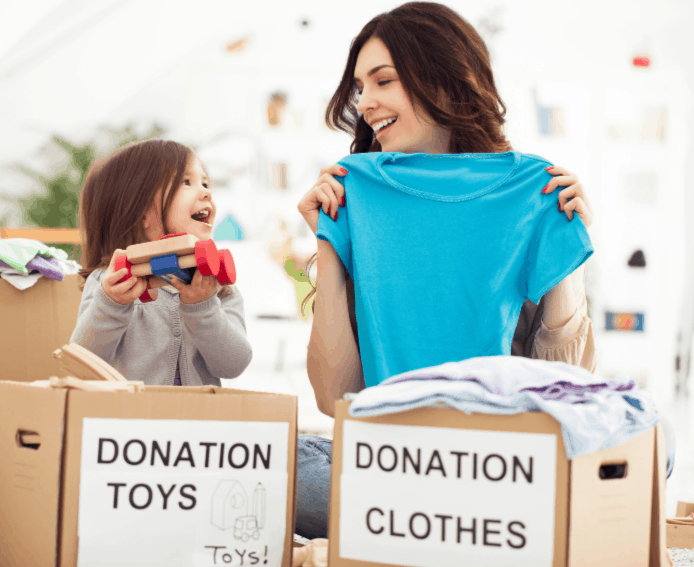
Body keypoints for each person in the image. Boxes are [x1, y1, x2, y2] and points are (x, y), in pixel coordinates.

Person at [294, 2, 596, 539]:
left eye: (382, 80)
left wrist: (565, 251)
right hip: (392, 458)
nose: (366, 103)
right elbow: (335, 397)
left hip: (497, 458)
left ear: (442, 76)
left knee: (648, 450)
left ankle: (431, 516)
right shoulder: (356, 191)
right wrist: (330, 243)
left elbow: (568, 387)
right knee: (275, 462)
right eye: (360, 88)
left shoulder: (533, 189)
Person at [71, 139, 252, 387]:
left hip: (197, 423)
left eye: (205, 183)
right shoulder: (110, 285)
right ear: (141, 210)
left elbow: (233, 366)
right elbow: (83, 364)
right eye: (186, 182)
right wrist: (111, 306)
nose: (207, 192)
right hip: (130, 422)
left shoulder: (218, 288)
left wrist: (204, 308)